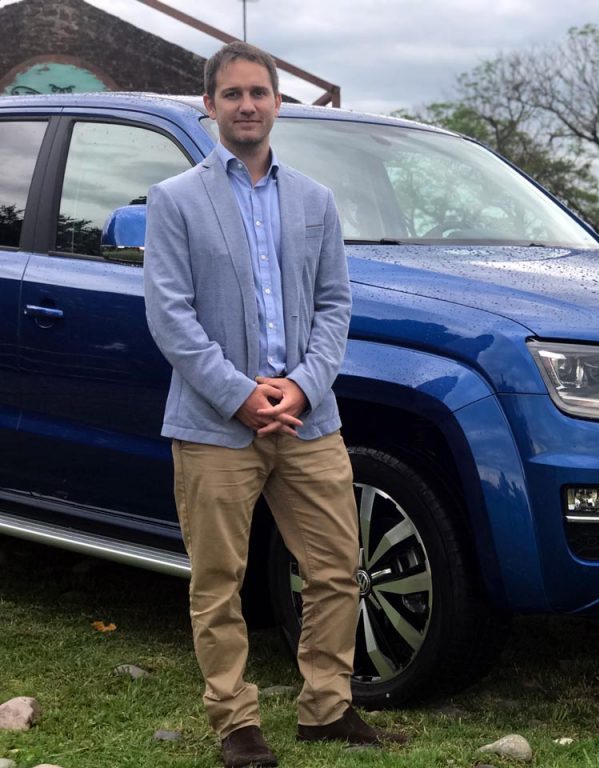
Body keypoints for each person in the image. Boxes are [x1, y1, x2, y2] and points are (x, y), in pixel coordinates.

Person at [144, 41, 405, 767]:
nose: (247, 105)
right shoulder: (174, 201)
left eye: (259, 92)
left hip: (308, 419)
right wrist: (240, 394)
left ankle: (326, 707)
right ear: (210, 106)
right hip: (213, 424)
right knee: (218, 579)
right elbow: (170, 317)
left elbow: (335, 307)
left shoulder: (316, 202)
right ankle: (236, 724)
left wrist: (301, 385)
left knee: (335, 567)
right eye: (232, 94)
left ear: (278, 103)